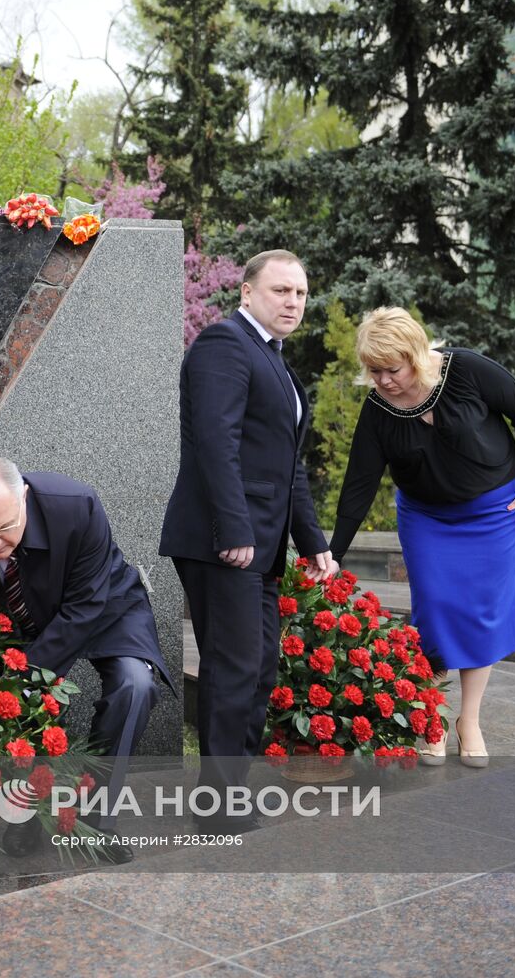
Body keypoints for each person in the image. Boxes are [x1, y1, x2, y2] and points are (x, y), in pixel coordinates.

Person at [160, 249, 337, 831]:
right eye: (281, 290)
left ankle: (231, 789)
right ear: (247, 292)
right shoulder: (225, 344)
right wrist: (234, 531)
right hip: (224, 541)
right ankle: (218, 807)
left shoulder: (274, 360)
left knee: (259, 667)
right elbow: (216, 442)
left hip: (261, 544)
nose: (293, 302)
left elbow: (289, 467)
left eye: (301, 294)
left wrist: (312, 541)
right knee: (234, 668)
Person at [328, 307, 515, 769]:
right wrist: (333, 554)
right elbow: (359, 484)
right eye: (374, 370)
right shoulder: (379, 410)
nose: (383, 380)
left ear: (416, 356)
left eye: (392, 368)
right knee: (436, 611)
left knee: (482, 613)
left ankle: (469, 721)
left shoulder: (465, 371)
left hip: (494, 510)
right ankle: (430, 717)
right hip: (427, 519)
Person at [0, 455, 171, 861]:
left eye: (4, 527)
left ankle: (95, 820)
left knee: (134, 685)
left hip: (104, 607)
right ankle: (24, 815)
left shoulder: (76, 506)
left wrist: (24, 681)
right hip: (12, 630)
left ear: (22, 495)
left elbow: (85, 607)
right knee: (5, 702)